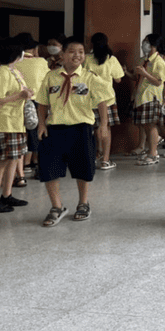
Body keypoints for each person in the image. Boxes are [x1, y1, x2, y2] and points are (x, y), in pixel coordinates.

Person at [35, 36, 115, 226]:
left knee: (83, 169)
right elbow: (42, 102)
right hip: (54, 128)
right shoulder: (51, 76)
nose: (77, 55)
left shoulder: (89, 77)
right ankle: (57, 207)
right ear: (62, 55)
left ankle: (83, 203)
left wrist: (103, 125)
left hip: (81, 128)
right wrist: (41, 124)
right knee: (49, 169)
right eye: (72, 51)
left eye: (80, 52)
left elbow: (102, 102)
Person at [0, 38, 34, 213]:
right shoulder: (2, 73)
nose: (24, 54)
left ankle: (7, 195)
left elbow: (20, 94)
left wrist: (27, 94)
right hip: (5, 122)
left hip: (17, 122)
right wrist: (19, 96)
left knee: (14, 158)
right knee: (2, 161)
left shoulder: (15, 71)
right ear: (14, 54)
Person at [84, 32, 125, 171]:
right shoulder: (111, 59)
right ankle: (105, 160)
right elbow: (118, 78)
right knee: (106, 128)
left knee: (95, 128)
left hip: (90, 98)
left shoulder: (87, 59)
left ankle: (97, 154)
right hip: (108, 99)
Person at [13, 33, 49, 185]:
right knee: (40, 135)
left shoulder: (14, 63)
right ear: (34, 49)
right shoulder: (41, 62)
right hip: (38, 103)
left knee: (20, 137)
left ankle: (19, 174)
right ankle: (41, 170)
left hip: (18, 103)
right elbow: (48, 80)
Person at [132, 33, 165, 165]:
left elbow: (159, 82)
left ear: (153, 45)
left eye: (146, 42)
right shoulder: (145, 60)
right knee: (146, 125)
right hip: (142, 97)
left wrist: (145, 73)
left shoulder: (159, 61)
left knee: (151, 125)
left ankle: (153, 154)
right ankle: (150, 152)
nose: (143, 44)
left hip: (151, 97)